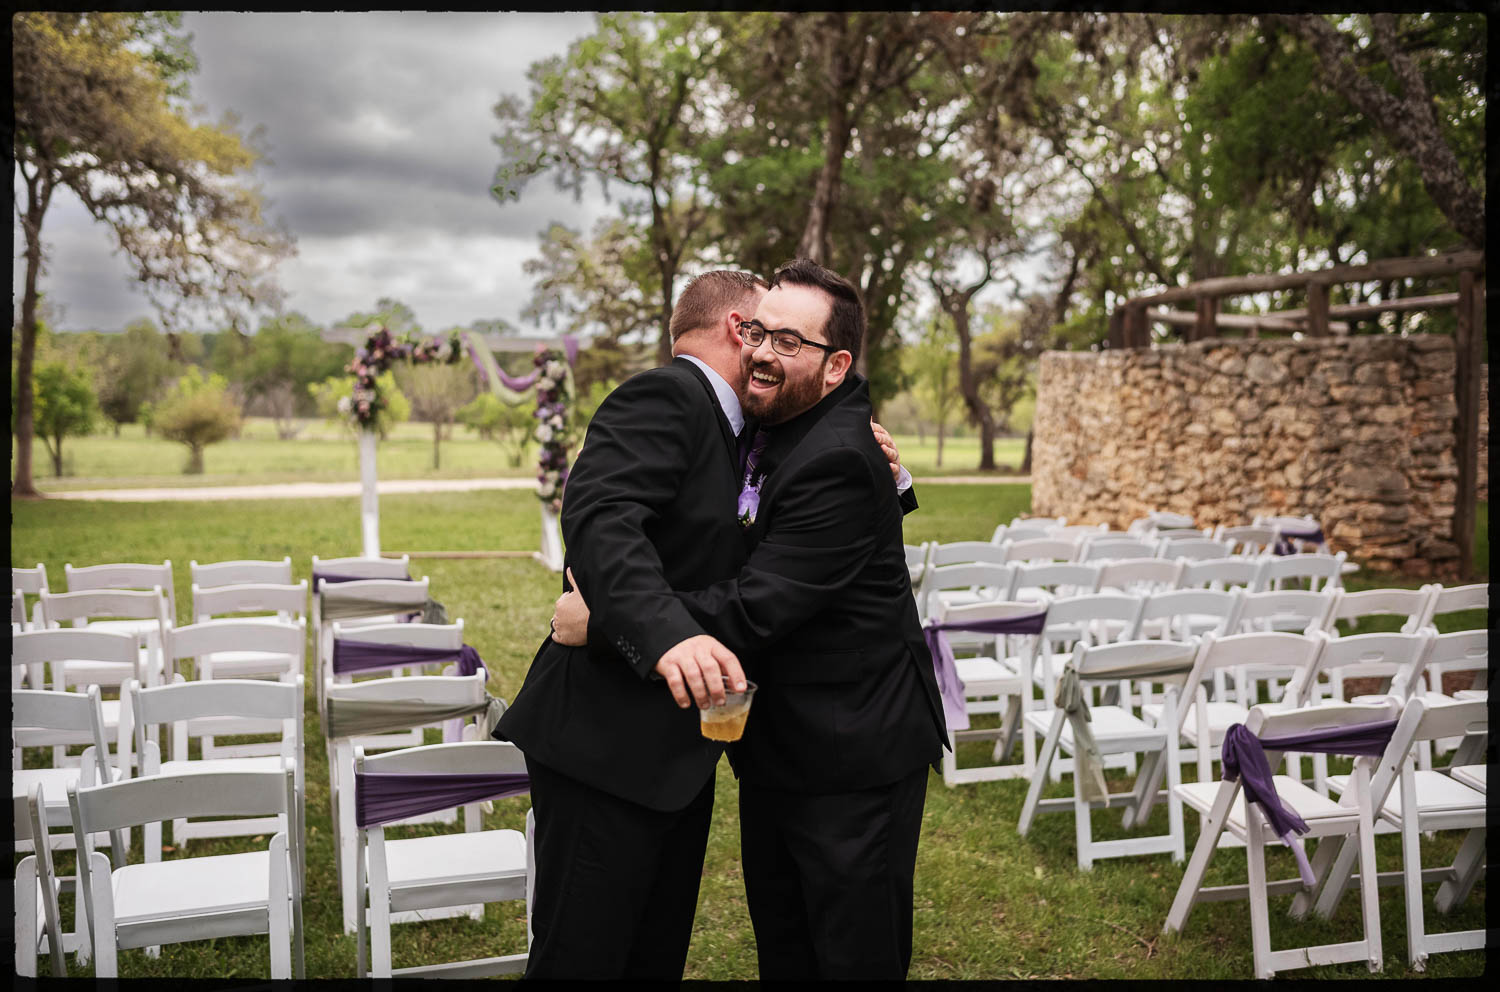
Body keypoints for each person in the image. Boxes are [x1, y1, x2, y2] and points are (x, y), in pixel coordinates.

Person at [494, 268, 912, 980]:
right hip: (607, 743)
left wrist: (889, 486)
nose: (766, 351)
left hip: (681, 759)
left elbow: (786, 544)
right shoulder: (668, 395)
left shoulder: (761, 427)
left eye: (786, 337)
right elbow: (603, 522)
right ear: (736, 328)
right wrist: (666, 633)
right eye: (762, 331)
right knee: (583, 960)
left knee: (650, 958)